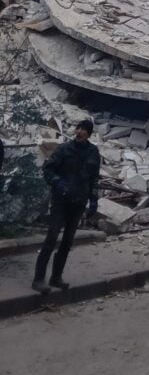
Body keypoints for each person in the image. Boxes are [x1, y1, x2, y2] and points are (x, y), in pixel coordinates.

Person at [32, 119, 100, 293]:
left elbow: (94, 179)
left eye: (83, 129)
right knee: (51, 239)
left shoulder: (93, 152)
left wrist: (93, 200)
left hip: (78, 203)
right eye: (78, 128)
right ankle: (38, 280)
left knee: (67, 242)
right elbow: (48, 169)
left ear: (88, 133)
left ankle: (56, 277)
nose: (79, 132)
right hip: (61, 201)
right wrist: (57, 182)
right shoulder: (64, 149)